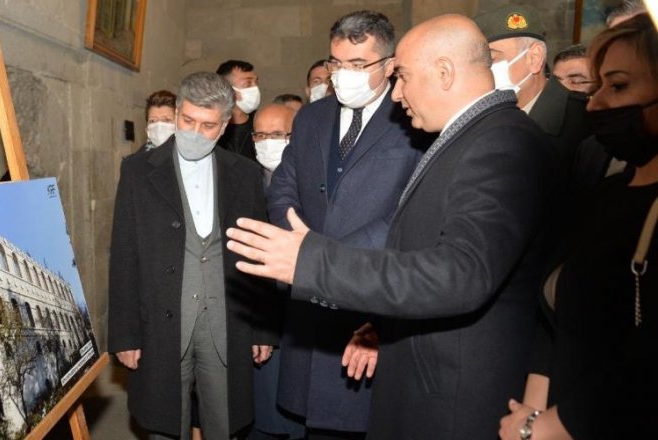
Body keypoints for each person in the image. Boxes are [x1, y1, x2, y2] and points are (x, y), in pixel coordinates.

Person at [226, 14, 555, 439]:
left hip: (453, 401)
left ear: (444, 73)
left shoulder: (502, 144)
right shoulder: (466, 137)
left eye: (402, 76)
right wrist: (381, 324)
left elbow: (460, 274)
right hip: (414, 373)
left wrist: (315, 260)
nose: (397, 94)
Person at [267, 10, 425, 440]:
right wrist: (298, 244)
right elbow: (282, 189)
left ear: (390, 66)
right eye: (337, 63)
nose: (344, 75)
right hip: (307, 311)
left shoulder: (413, 119)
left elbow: (409, 214)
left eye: (358, 65)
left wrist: (328, 258)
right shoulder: (311, 118)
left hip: (370, 307)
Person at [499, 14, 658, 440]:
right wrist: (532, 408)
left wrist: (552, 425)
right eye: (598, 86)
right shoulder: (603, 192)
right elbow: (556, 312)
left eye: (619, 86)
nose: (596, 103)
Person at [108, 72, 279, 439]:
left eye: (207, 126)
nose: (194, 132)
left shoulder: (245, 175)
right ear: (177, 113)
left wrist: (262, 326)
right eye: (187, 121)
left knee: (226, 421)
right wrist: (124, 333)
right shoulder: (137, 172)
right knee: (165, 423)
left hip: (226, 323)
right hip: (162, 323)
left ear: (223, 127)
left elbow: (259, 255)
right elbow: (123, 254)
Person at [474, 5, 590, 180]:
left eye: (492, 59)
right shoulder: (480, 119)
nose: (484, 71)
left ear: (534, 58)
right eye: (478, 63)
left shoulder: (583, 123)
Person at [249, 102, 307, 440]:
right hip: (260, 324)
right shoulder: (242, 181)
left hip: (303, 322)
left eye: (277, 134)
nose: (268, 142)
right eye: (261, 135)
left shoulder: (313, 185)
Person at [216, 59, 260, 161]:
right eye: (248, 83)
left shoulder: (261, 124)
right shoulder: (212, 127)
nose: (256, 88)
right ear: (228, 89)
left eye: (256, 82)